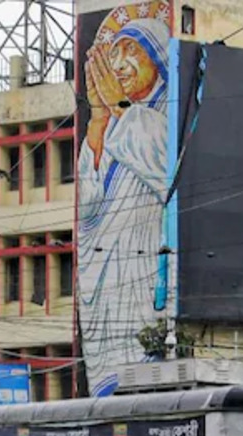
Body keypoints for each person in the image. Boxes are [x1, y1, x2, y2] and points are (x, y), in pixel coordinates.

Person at [77, 2, 172, 396]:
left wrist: (119, 108)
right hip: (106, 295)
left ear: (160, 58)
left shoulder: (168, 114)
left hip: (147, 277)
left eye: (131, 50)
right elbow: (89, 209)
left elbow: (167, 167)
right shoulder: (109, 122)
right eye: (112, 54)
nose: (119, 63)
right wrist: (98, 118)